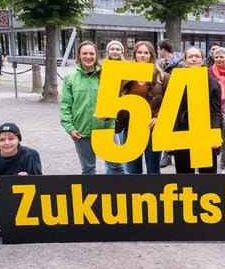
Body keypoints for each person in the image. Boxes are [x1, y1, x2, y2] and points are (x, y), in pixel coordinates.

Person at [60, 41, 119, 175]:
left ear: (96, 56)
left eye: (91, 53)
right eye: (84, 53)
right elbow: (65, 105)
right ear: (79, 56)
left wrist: (109, 115)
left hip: (106, 129)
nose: (88, 56)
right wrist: (70, 128)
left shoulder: (106, 75)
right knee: (88, 170)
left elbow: (116, 101)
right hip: (82, 131)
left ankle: (118, 194)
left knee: (116, 167)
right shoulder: (70, 78)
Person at [117, 41, 168, 174]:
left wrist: (158, 118)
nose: (143, 55)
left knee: (153, 169)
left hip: (152, 128)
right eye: (140, 52)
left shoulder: (162, 77)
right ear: (135, 55)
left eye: (146, 53)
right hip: (130, 127)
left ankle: (154, 194)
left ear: (151, 55)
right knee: (132, 169)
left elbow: (168, 103)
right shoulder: (125, 76)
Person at [172, 46, 222, 174]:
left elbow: (216, 112)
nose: (194, 59)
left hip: (205, 134)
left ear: (202, 60)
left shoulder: (213, 83)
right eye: (190, 57)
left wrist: (214, 134)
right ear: (185, 60)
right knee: (184, 179)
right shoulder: (176, 81)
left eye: (197, 56)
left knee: (207, 181)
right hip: (182, 134)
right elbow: (173, 112)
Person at [157, 40, 183, 168]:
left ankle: (173, 153)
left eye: (159, 49)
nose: (158, 52)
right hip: (163, 99)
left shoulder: (180, 65)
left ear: (163, 49)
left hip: (176, 100)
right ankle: (166, 155)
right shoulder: (159, 64)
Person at [102, 41, 127, 174]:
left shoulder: (127, 68)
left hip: (123, 111)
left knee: (120, 149)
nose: (115, 51)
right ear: (108, 51)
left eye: (118, 49)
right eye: (112, 49)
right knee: (111, 152)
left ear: (122, 52)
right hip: (107, 114)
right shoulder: (102, 68)